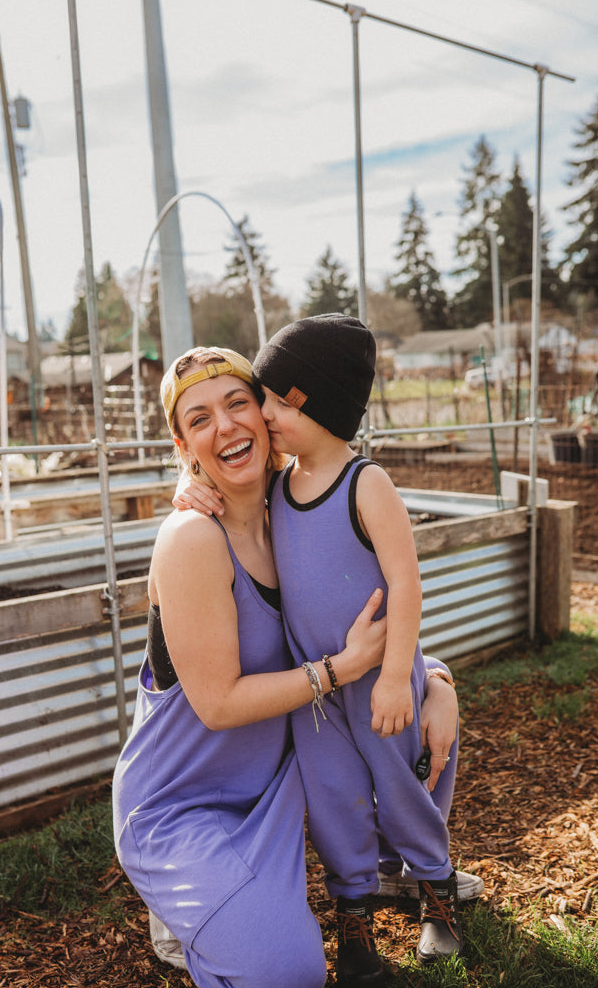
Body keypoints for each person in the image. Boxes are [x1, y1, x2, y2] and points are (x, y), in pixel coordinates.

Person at [112, 346, 390, 988]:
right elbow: (218, 704)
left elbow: (368, 614)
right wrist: (338, 670)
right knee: (289, 975)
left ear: (266, 415)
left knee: (421, 716)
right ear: (183, 445)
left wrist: (433, 677)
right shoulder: (191, 538)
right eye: (199, 419)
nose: (226, 426)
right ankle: (190, 907)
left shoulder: (295, 513)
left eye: (237, 403)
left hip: (272, 794)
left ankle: (407, 869)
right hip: (180, 805)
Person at [253, 313, 465, 977]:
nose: (264, 414)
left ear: (319, 405)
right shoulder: (276, 489)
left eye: (278, 401)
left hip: (380, 685)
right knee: (334, 804)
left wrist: (397, 676)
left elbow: (406, 584)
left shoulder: (364, 484)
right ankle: (354, 923)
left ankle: (436, 895)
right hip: (317, 692)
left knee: (402, 791)